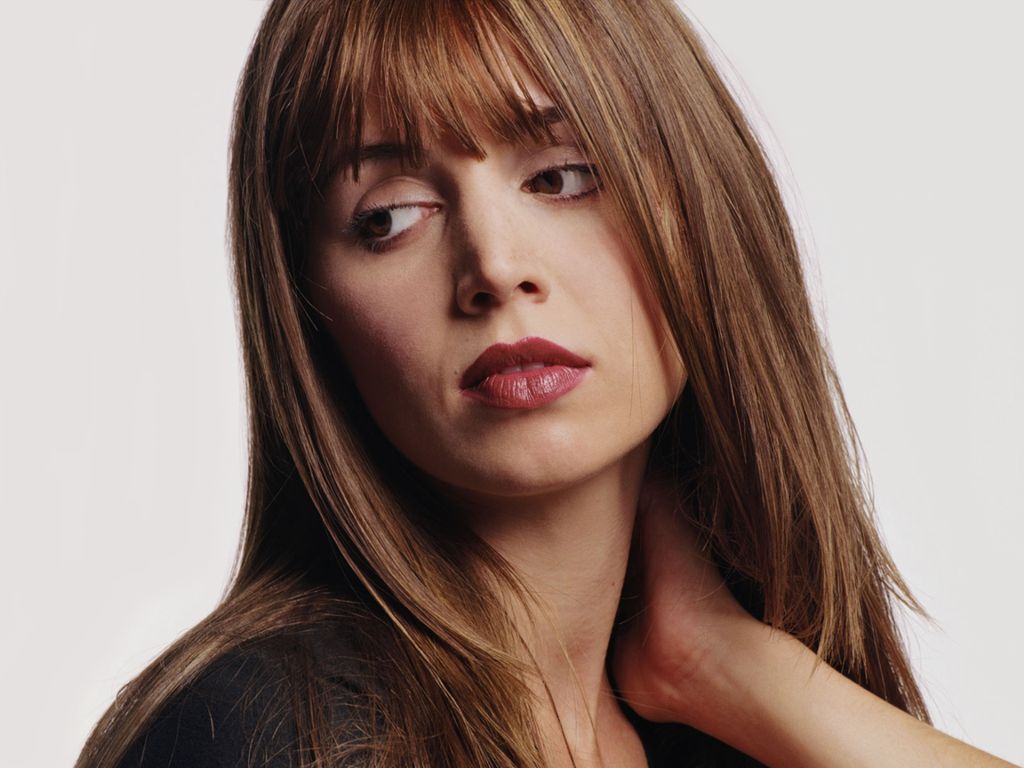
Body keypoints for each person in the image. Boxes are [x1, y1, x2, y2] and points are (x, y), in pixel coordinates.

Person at [75, 1, 1018, 767]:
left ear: (706, 209)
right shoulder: (260, 734)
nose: (495, 265)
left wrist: (734, 671)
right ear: (309, 309)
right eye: (389, 216)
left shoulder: (725, 734)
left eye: (563, 177)